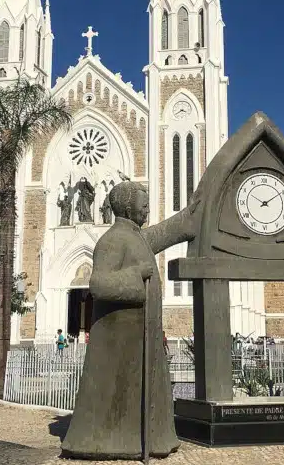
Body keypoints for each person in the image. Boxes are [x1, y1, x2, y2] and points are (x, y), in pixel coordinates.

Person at [60, 181, 200, 460]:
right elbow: (99, 284)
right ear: (126, 207)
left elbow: (162, 234)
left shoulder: (134, 237)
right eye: (143, 204)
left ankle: (149, 439)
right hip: (121, 341)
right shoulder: (112, 240)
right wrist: (136, 275)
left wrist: (190, 217)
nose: (147, 209)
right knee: (119, 394)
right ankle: (114, 441)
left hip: (138, 338)